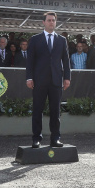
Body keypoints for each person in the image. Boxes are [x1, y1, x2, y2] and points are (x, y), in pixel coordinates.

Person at [25, 12, 71, 148]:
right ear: (43, 22)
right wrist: (29, 77)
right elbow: (30, 61)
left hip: (56, 81)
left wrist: (67, 78)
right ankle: (36, 138)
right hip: (39, 81)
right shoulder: (35, 39)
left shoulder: (62, 40)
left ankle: (55, 138)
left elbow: (66, 61)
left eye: (53, 20)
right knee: (37, 110)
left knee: (55, 111)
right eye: (49, 20)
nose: (51, 22)